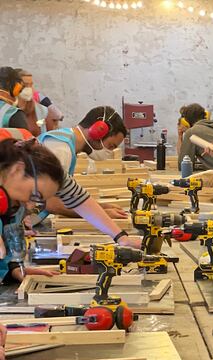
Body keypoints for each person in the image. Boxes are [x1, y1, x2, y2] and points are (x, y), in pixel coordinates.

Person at [38, 106, 139, 245]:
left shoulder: (66, 144)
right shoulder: (60, 148)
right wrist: (104, 215)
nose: (109, 152)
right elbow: (53, 204)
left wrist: (100, 208)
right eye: (110, 146)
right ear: (97, 131)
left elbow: (71, 196)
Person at [0, 131, 65, 281]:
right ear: (17, 170)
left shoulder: (15, 205)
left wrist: (13, 269)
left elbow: (4, 254)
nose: (30, 206)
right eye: (33, 195)